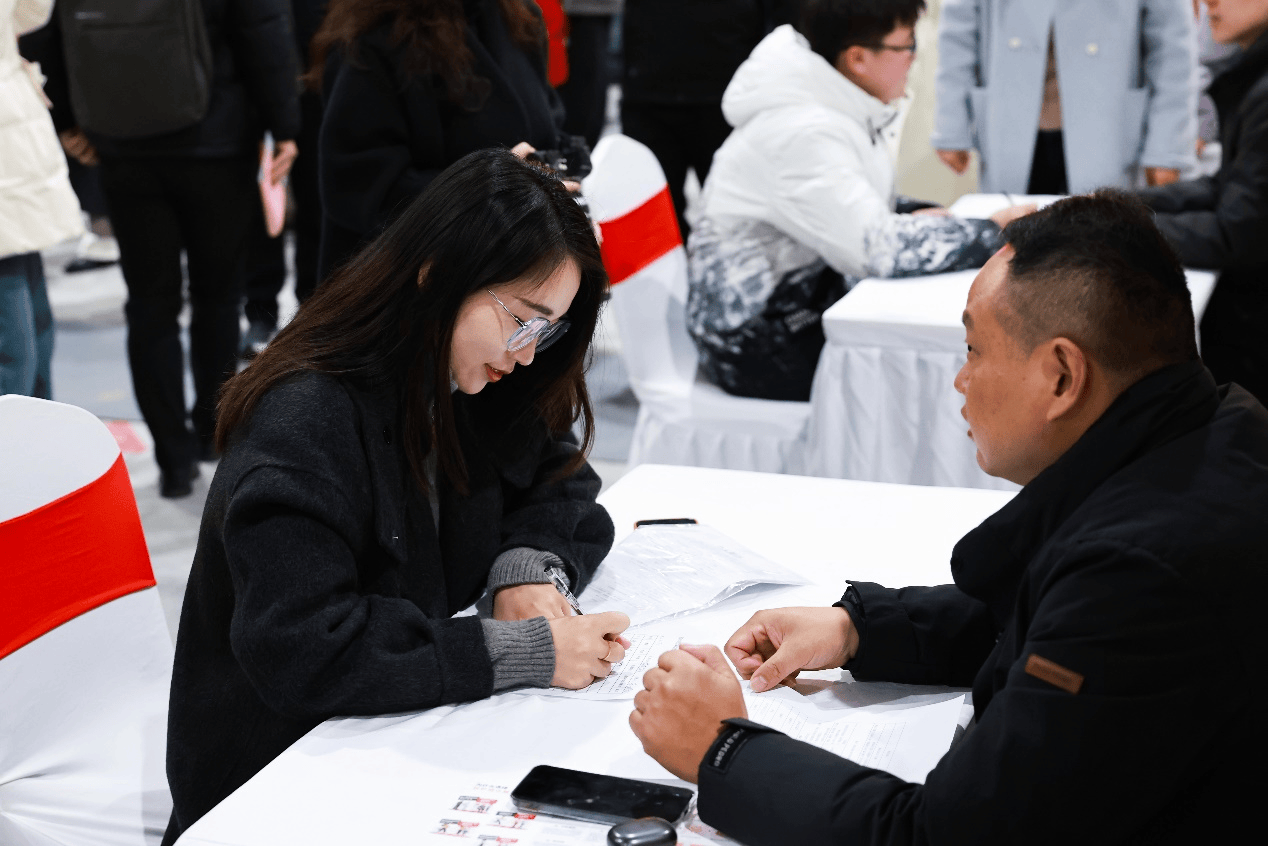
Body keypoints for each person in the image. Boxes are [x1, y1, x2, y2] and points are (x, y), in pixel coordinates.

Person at [630, 191, 1267, 843]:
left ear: (1061, 377)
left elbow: (945, 836)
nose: (960, 381)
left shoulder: (1143, 574)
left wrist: (723, 750)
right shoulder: (1213, 430)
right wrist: (858, 629)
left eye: (974, 350)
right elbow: (1043, 614)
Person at [162, 149, 631, 842]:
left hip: (406, 726)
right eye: (521, 321)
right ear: (436, 274)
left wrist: (525, 568)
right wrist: (523, 652)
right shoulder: (305, 421)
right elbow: (305, 650)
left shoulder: (472, 378)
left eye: (547, 330)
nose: (528, 352)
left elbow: (563, 484)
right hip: (279, 773)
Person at [686, 0, 1030, 402]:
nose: (914, 58)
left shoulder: (828, 104)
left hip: (802, 300)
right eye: (906, 46)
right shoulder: (803, 130)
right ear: (858, 59)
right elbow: (876, 250)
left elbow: (846, 202)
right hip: (758, 342)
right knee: (949, 364)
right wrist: (994, 231)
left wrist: (910, 213)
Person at [43, 0, 302, 497]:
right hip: (217, 140)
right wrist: (284, 125)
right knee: (218, 298)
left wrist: (71, 122)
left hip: (123, 146)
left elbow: (54, 34)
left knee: (150, 306)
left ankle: (172, 461)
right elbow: (262, 31)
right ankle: (210, 432)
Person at [313, 0, 570, 280]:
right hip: (412, 279)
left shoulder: (520, 19)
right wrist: (492, 192)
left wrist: (552, 173)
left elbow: (546, 124)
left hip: (518, 264)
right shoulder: (375, 35)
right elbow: (361, 185)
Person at [1137, 0, 1268, 406]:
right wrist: (1124, 205)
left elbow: (1238, 233)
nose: (1209, 1)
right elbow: (1229, 187)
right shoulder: (1253, 81)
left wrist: (1116, 226)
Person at [933, 0, 1197, 194]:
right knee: (1016, 237)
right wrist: (951, 125)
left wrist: (1167, 147)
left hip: (1108, 121)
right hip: (1011, 115)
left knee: (1101, 238)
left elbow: (1171, 46)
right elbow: (958, 30)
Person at [620, 0, 788, 238]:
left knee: (736, 225)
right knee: (653, 231)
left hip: (729, 98)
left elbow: (786, 22)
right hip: (649, 92)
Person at [0, 0, 81, 399]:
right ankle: (34, 426)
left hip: (13, 135)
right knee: (25, 317)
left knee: (16, 333)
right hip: (15, 127)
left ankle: (21, 432)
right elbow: (32, 13)